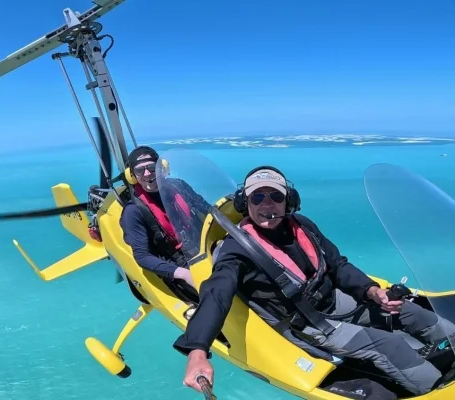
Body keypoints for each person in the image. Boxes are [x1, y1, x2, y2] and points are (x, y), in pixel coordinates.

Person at [172, 165, 455, 396]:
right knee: (389, 346)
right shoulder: (236, 251)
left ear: (289, 201)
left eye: (275, 196)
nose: (267, 204)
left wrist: (372, 291)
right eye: (257, 198)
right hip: (308, 323)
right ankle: (436, 389)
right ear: (245, 204)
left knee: (413, 313)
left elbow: (337, 265)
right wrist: (198, 350)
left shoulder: (302, 226)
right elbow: (216, 294)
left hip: (335, 300)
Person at [120, 146, 210, 295]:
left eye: (151, 167)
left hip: (204, 247)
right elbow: (142, 256)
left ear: (162, 167)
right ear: (132, 176)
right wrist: (184, 274)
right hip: (179, 265)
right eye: (139, 170)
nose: (147, 174)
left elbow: (207, 209)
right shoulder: (133, 211)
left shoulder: (179, 186)